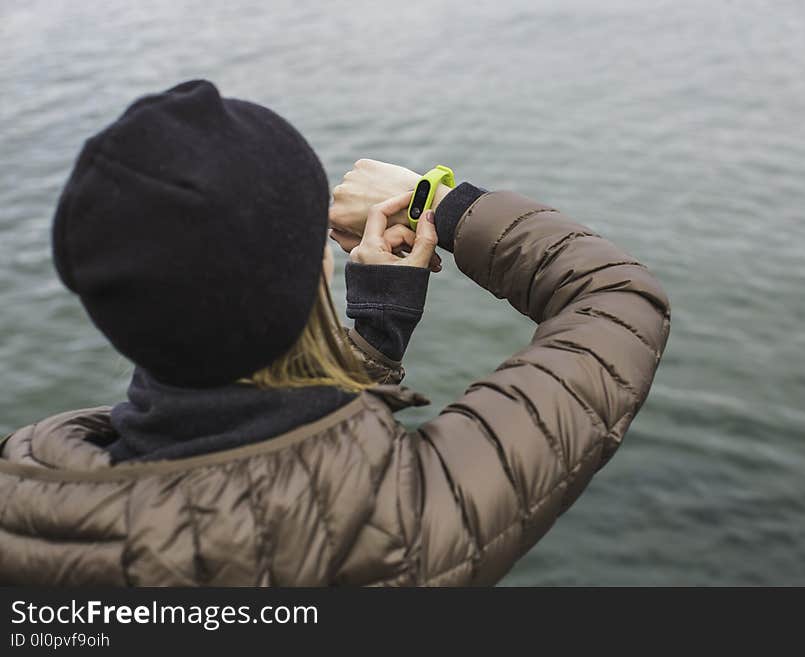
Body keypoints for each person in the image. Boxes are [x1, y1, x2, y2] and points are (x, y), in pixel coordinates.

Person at [0, 80, 670, 586]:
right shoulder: (405, 520)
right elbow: (617, 297)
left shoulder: (28, 497)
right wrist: (438, 202)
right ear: (318, 266)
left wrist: (377, 331)